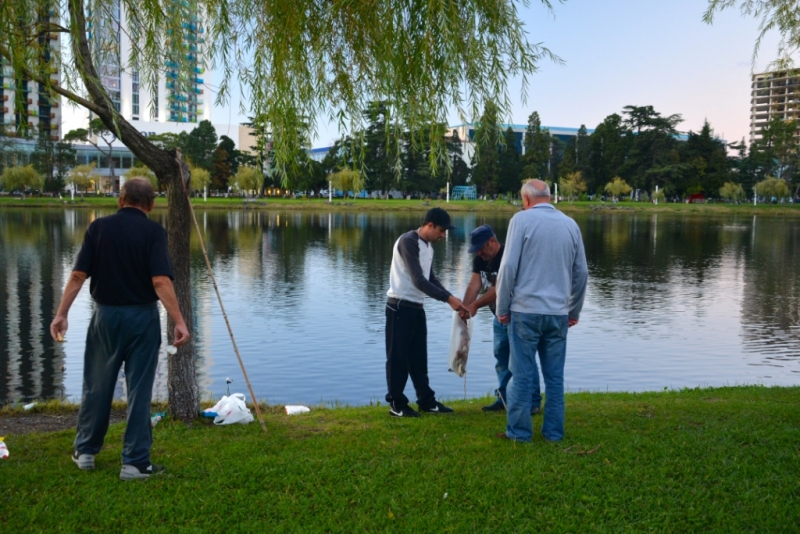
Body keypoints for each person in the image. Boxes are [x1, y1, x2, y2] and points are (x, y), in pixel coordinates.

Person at [49, 178, 190, 480]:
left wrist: (61, 314)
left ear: (121, 199)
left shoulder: (97, 228)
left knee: (97, 385)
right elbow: (161, 281)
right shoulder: (154, 232)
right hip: (142, 319)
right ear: (151, 204)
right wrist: (178, 321)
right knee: (139, 390)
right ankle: (135, 462)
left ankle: (85, 452)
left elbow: (77, 275)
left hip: (105, 319)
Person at [495, 180, 588, 442]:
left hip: (525, 311)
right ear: (549, 197)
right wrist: (574, 310)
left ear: (526, 199)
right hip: (558, 313)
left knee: (522, 375)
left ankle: (519, 433)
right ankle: (554, 433)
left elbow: (508, 268)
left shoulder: (521, 221)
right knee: (554, 378)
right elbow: (581, 272)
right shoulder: (570, 224)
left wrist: (502, 308)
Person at [385, 207, 467, 417]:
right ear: (429, 225)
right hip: (399, 307)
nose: (443, 235)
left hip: (416, 308)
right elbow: (418, 280)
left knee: (419, 359)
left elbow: (430, 278)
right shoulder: (408, 242)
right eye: (441, 230)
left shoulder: (428, 246)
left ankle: (426, 401)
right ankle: (396, 404)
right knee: (398, 359)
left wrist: (452, 297)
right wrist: (448, 300)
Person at [460, 224, 541, 414]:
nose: (479, 252)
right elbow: (475, 283)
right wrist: (464, 308)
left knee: (523, 359)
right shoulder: (480, 259)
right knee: (501, 357)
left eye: (481, 247)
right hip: (499, 317)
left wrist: (475, 306)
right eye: (476, 249)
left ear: (492, 241)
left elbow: (500, 289)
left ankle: (533, 401)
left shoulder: (508, 256)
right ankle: (504, 399)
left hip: (518, 316)